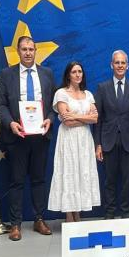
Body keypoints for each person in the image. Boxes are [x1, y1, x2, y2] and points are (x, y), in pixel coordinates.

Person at [0, 36, 56, 241]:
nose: (28, 52)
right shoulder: (7, 74)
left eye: (31, 49)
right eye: (24, 49)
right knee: (17, 181)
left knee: (39, 180)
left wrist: (49, 119)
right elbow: (1, 105)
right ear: (18, 51)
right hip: (17, 136)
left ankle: (39, 219)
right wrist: (10, 124)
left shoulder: (47, 74)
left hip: (40, 136)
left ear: (36, 51)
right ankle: (15, 224)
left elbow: (54, 106)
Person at [94, 50, 129, 219]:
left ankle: (126, 214)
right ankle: (109, 215)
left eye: (123, 63)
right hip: (108, 141)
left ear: (127, 66)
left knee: (127, 181)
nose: (120, 65)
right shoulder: (102, 88)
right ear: (111, 65)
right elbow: (98, 119)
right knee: (109, 181)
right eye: (117, 62)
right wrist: (98, 144)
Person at [48, 62, 100, 221]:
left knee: (82, 172)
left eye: (80, 72)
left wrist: (76, 116)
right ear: (68, 75)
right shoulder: (61, 94)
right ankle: (69, 215)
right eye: (74, 72)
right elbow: (67, 122)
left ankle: (78, 213)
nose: (78, 74)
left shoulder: (88, 94)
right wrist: (86, 118)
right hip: (69, 139)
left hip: (84, 140)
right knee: (69, 173)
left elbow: (95, 118)